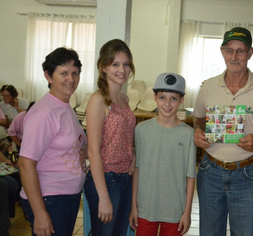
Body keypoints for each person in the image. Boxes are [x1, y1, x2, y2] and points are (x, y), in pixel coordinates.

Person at [193, 27, 253, 236]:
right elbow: (199, 119)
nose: (234, 56)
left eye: (241, 51)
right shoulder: (208, 87)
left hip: (249, 175)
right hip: (210, 171)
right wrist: (198, 132)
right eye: (230, 50)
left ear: (251, 53)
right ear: (222, 52)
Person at [17, 47, 87, 236]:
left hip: (67, 196)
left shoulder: (65, 108)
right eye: (63, 73)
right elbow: (25, 164)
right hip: (50, 198)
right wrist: (40, 214)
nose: (71, 79)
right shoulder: (44, 112)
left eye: (75, 73)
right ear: (48, 76)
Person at [129, 73, 196, 236]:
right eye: (162, 97)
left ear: (181, 101)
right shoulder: (141, 130)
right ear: (154, 98)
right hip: (146, 207)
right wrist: (133, 206)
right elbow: (137, 170)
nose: (167, 103)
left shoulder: (188, 135)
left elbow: (190, 177)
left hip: (174, 209)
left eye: (173, 98)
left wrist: (187, 212)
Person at [83, 39, 136, 236]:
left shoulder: (125, 99)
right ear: (103, 67)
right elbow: (93, 150)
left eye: (126, 64)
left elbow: (122, 138)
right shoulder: (98, 100)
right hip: (106, 179)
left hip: (125, 179)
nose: (122, 69)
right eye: (115, 64)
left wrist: (133, 153)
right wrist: (103, 196)